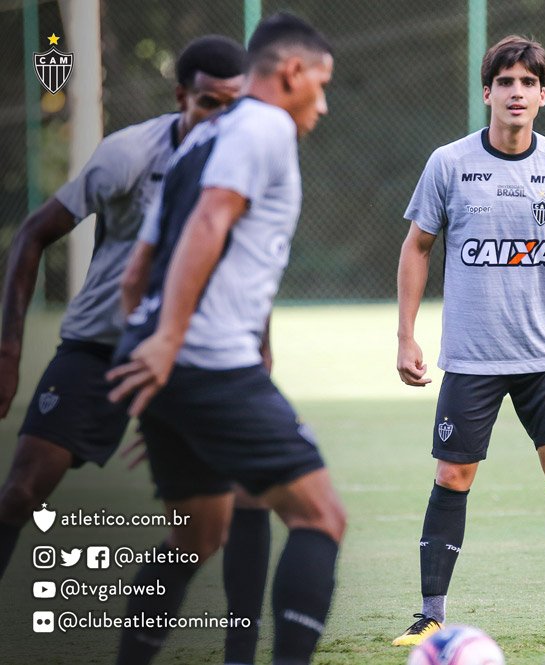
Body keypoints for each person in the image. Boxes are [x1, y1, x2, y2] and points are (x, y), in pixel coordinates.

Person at [105, 13, 343, 665]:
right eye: (319, 85)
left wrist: (155, 370)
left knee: (195, 536)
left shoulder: (196, 142)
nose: (321, 105)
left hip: (167, 357)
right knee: (321, 517)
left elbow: (137, 271)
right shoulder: (264, 126)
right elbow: (209, 223)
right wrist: (172, 350)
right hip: (209, 357)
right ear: (291, 72)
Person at [0, 34, 245, 573]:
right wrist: (9, 353)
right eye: (209, 102)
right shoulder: (129, 154)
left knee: (206, 530)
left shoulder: (250, 165)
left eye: (235, 105)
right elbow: (32, 234)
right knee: (20, 494)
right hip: (101, 348)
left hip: (190, 358)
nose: (221, 117)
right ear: (182, 95)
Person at [393, 35, 545, 646]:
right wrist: (405, 334)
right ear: (487, 93)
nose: (516, 93)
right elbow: (417, 247)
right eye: (505, 82)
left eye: (528, 83)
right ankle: (430, 616)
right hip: (472, 355)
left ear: (543, 95)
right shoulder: (448, 163)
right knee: (453, 474)